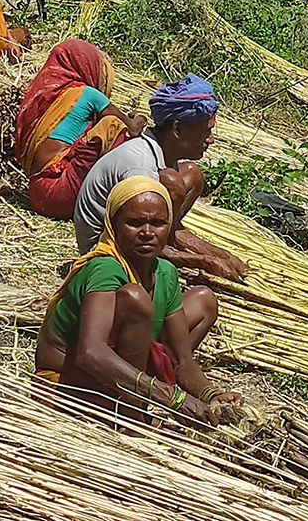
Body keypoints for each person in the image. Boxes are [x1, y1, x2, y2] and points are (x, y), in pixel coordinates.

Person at [35, 176, 243, 427]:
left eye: (158, 223)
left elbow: (181, 359)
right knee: (136, 299)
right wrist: (172, 397)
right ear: (113, 226)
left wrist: (211, 395)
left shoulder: (165, 272)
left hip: (120, 371)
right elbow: (91, 353)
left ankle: (136, 393)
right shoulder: (105, 268)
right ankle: (129, 414)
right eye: (134, 223)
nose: (147, 233)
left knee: (203, 299)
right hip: (68, 386)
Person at [73, 74, 248, 281]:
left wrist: (223, 255)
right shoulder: (140, 167)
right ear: (178, 129)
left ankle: (170, 249)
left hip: (137, 233)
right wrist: (204, 262)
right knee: (173, 183)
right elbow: (135, 238)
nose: (210, 139)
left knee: (191, 174)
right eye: (206, 131)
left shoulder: (164, 155)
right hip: (107, 252)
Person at [16, 39, 146, 219]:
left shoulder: (40, 94)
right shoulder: (87, 93)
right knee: (110, 126)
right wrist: (141, 116)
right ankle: (128, 196)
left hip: (36, 194)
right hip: (62, 195)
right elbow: (132, 129)